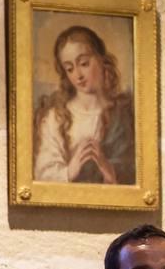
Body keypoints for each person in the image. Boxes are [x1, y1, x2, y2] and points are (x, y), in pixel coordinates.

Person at [33, 25, 136, 184]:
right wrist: (70, 171)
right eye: (69, 68)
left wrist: (109, 171)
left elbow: (135, 174)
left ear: (102, 60)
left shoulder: (125, 113)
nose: (78, 75)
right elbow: (43, 174)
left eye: (84, 63)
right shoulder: (56, 118)